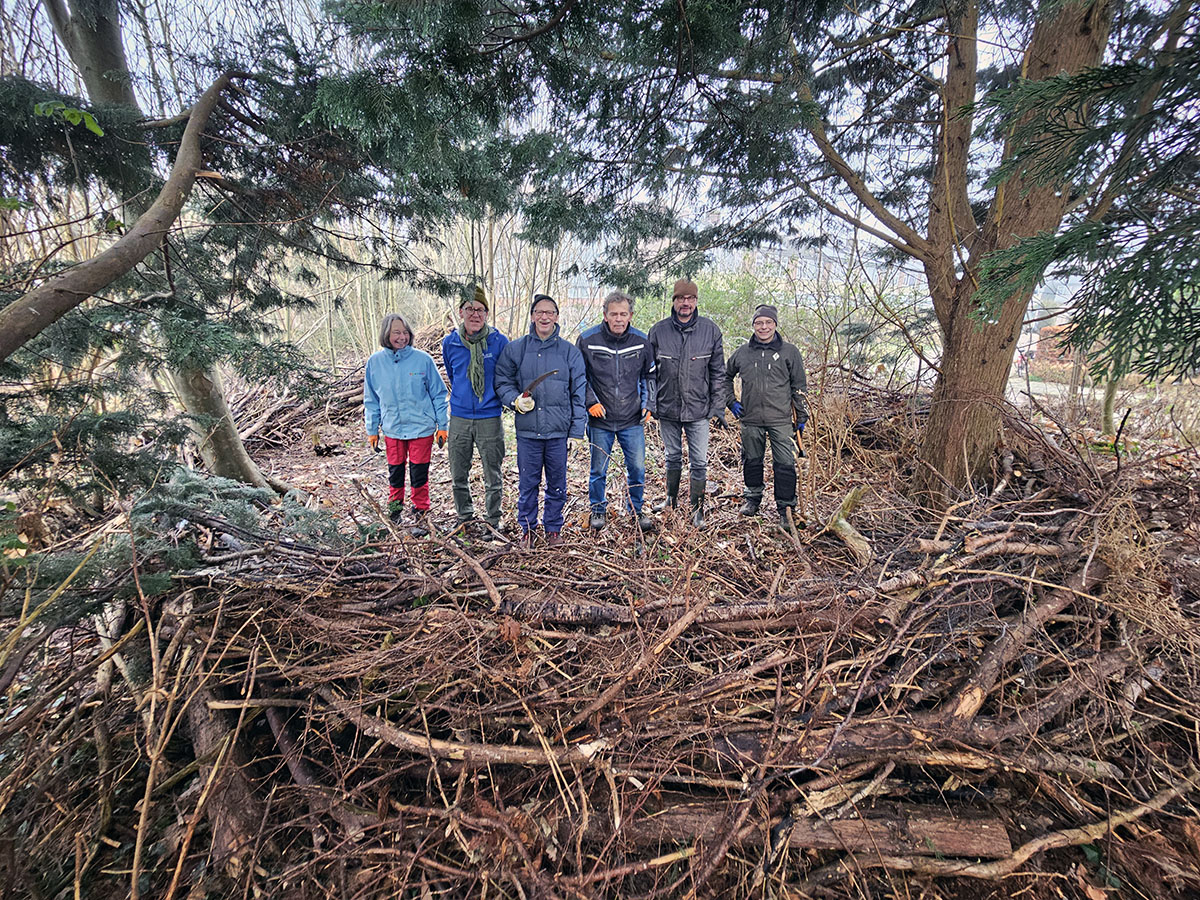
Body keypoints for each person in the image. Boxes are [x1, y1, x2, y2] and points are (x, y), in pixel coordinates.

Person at [494, 293, 587, 547]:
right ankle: (527, 530)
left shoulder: (569, 352)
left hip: (558, 433)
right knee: (528, 484)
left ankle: (553, 529)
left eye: (550, 312)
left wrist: (576, 432)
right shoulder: (516, 349)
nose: (544, 317)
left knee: (557, 485)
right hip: (528, 433)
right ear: (532, 316)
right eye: (539, 312)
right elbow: (502, 381)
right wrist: (514, 400)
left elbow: (579, 392)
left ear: (556, 317)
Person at [647, 278, 726, 527]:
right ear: (674, 300)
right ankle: (670, 500)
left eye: (691, 298)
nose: (686, 303)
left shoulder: (710, 330)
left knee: (699, 461)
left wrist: (718, 406)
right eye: (681, 298)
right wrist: (651, 403)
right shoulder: (658, 331)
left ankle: (697, 509)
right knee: (672, 456)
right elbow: (649, 373)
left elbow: (718, 373)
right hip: (667, 407)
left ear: (696, 301)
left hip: (699, 408)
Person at [725, 304, 809, 535]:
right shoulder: (742, 353)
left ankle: (786, 509)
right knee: (752, 461)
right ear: (753, 325)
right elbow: (725, 376)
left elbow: (799, 386)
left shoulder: (790, 352)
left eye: (768, 322)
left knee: (785, 465)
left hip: (781, 419)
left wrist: (801, 416)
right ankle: (752, 499)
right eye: (759, 323)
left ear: (775, 324)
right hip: (750, 418)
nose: (763, 327)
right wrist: (731, 401)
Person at [577, 290, 656, 533]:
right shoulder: (588, 340)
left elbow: (650, 376)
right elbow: (579, 377)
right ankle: (598, 508)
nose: (618, 319)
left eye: (623, 314)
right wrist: (590, 402)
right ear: (605, 315)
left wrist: (648, 404)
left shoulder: (641, 341)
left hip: (632, 419)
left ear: (630, 315)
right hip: (600, 419)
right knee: (598, 469)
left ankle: (636, 508)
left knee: (637, 468)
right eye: (614, 314)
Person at [364, 312, 449, 537]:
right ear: (386, 334)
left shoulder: (423, 360)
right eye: (396, 333)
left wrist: (442, 425)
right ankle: (394, 513)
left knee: (419, 474)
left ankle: (421, 514)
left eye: (405, 332)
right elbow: (371, 400)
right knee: (395, 473)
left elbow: (438, 394)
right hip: (392, 428)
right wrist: (372, 430)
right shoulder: (375, 363)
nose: (401, 337)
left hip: (421, 428)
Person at [441, 286, 510, 534]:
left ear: (487, 314)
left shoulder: (499, 342)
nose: (475, 314)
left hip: (489, 416)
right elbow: (453, 375)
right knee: (458, 473)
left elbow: (505, 376)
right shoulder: (450, 343)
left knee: (493, 473)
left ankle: (492, 520)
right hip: (459, 417)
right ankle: (465, 517)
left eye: (480, 309)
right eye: (469, 308)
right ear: (461, 312)